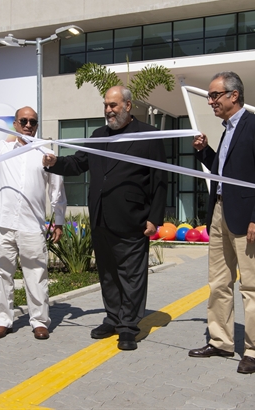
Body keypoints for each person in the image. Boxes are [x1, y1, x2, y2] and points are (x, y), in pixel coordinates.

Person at [42, 86, 167, 351]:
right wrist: (55, 163)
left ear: (128, 106)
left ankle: (129, 327)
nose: (109, 110)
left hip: (133, 219)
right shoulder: (99, 135)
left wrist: (154, 218)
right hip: (100, 218)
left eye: (114, 105)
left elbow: (159, 179)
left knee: (131, 277)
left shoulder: (148, 135)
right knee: (108, 274)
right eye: (106, 105)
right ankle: (113, 318)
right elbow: (78, 163)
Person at [188, 71, 255, 374]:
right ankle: (221, 341)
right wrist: (205, 152)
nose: (211, 101)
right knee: (218, 282)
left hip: (247, 218)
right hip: (219, 212)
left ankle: (254, 350)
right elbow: (222, 172)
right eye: (210, 96)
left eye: (214, 95)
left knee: (252, 286)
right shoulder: (227, 130)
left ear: (234, 95)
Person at [0, 107, 67, 340]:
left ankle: (39, 321)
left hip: (32, 226)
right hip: (5, 224)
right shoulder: (1, 149)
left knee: (36, 275)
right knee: (3, 275)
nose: (29, 125)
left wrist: (59, 221)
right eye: (24, 121)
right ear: (16, 124)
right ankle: (3, 320)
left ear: (37, 125)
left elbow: (57, 189)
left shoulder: (46, 154)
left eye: (33, 122)